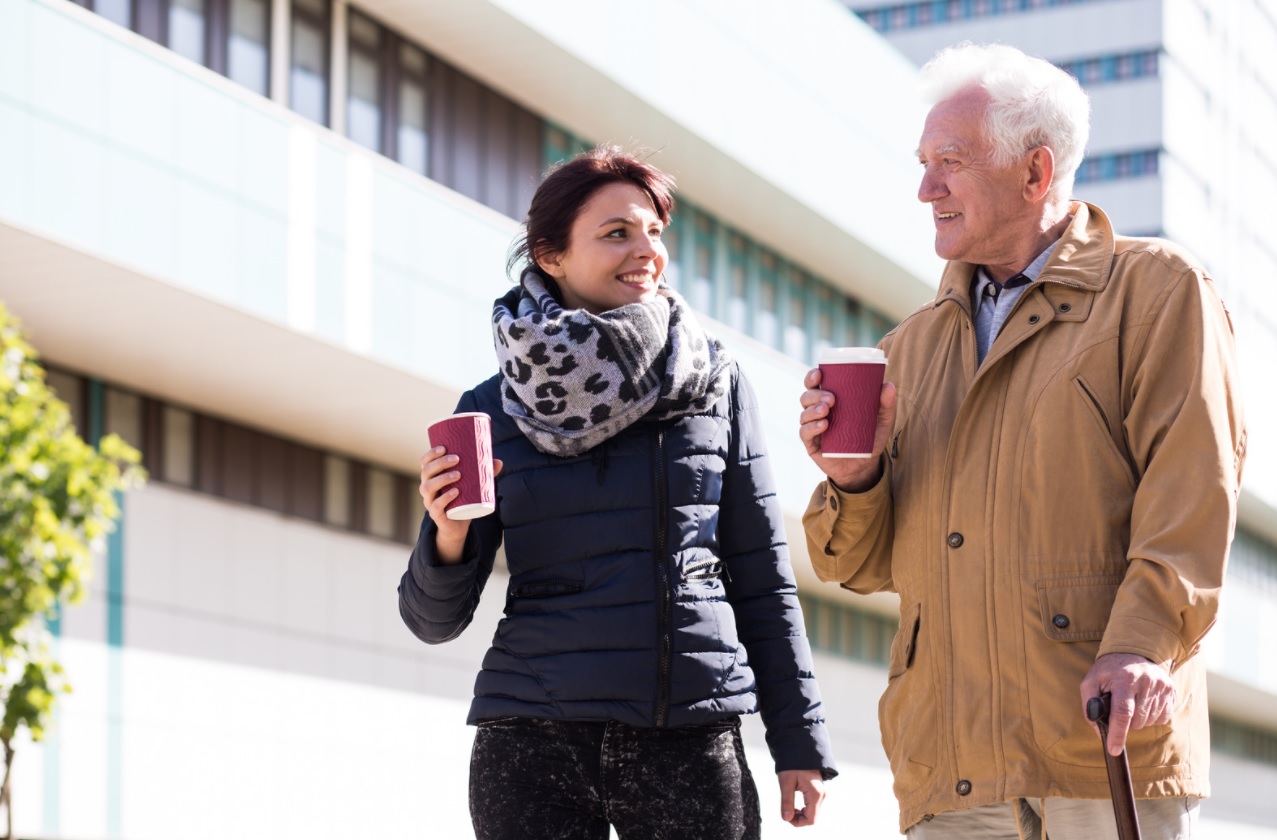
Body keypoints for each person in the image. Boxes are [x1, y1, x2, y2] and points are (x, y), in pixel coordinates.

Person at [799, 44, 1246, 839]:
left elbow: (1191, 491)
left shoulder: (1155, 290)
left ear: (1034, 171)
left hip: (1100, 744)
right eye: (923, 164)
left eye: (949, 162)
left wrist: (1140, 646)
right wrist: (853, 481)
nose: (925, 188)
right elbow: (852, 567)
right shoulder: (907, 348)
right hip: (950, 768)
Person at [399, 145, 836, 840]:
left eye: (654, 232)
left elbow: (762, 579)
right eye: (616, 233)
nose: (646, 251)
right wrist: (447, 535)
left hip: (687, 734)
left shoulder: (713, 383)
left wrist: (798, 742)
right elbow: (432, 621)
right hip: (531, 743)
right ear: (550, 256)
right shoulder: (489, 407)